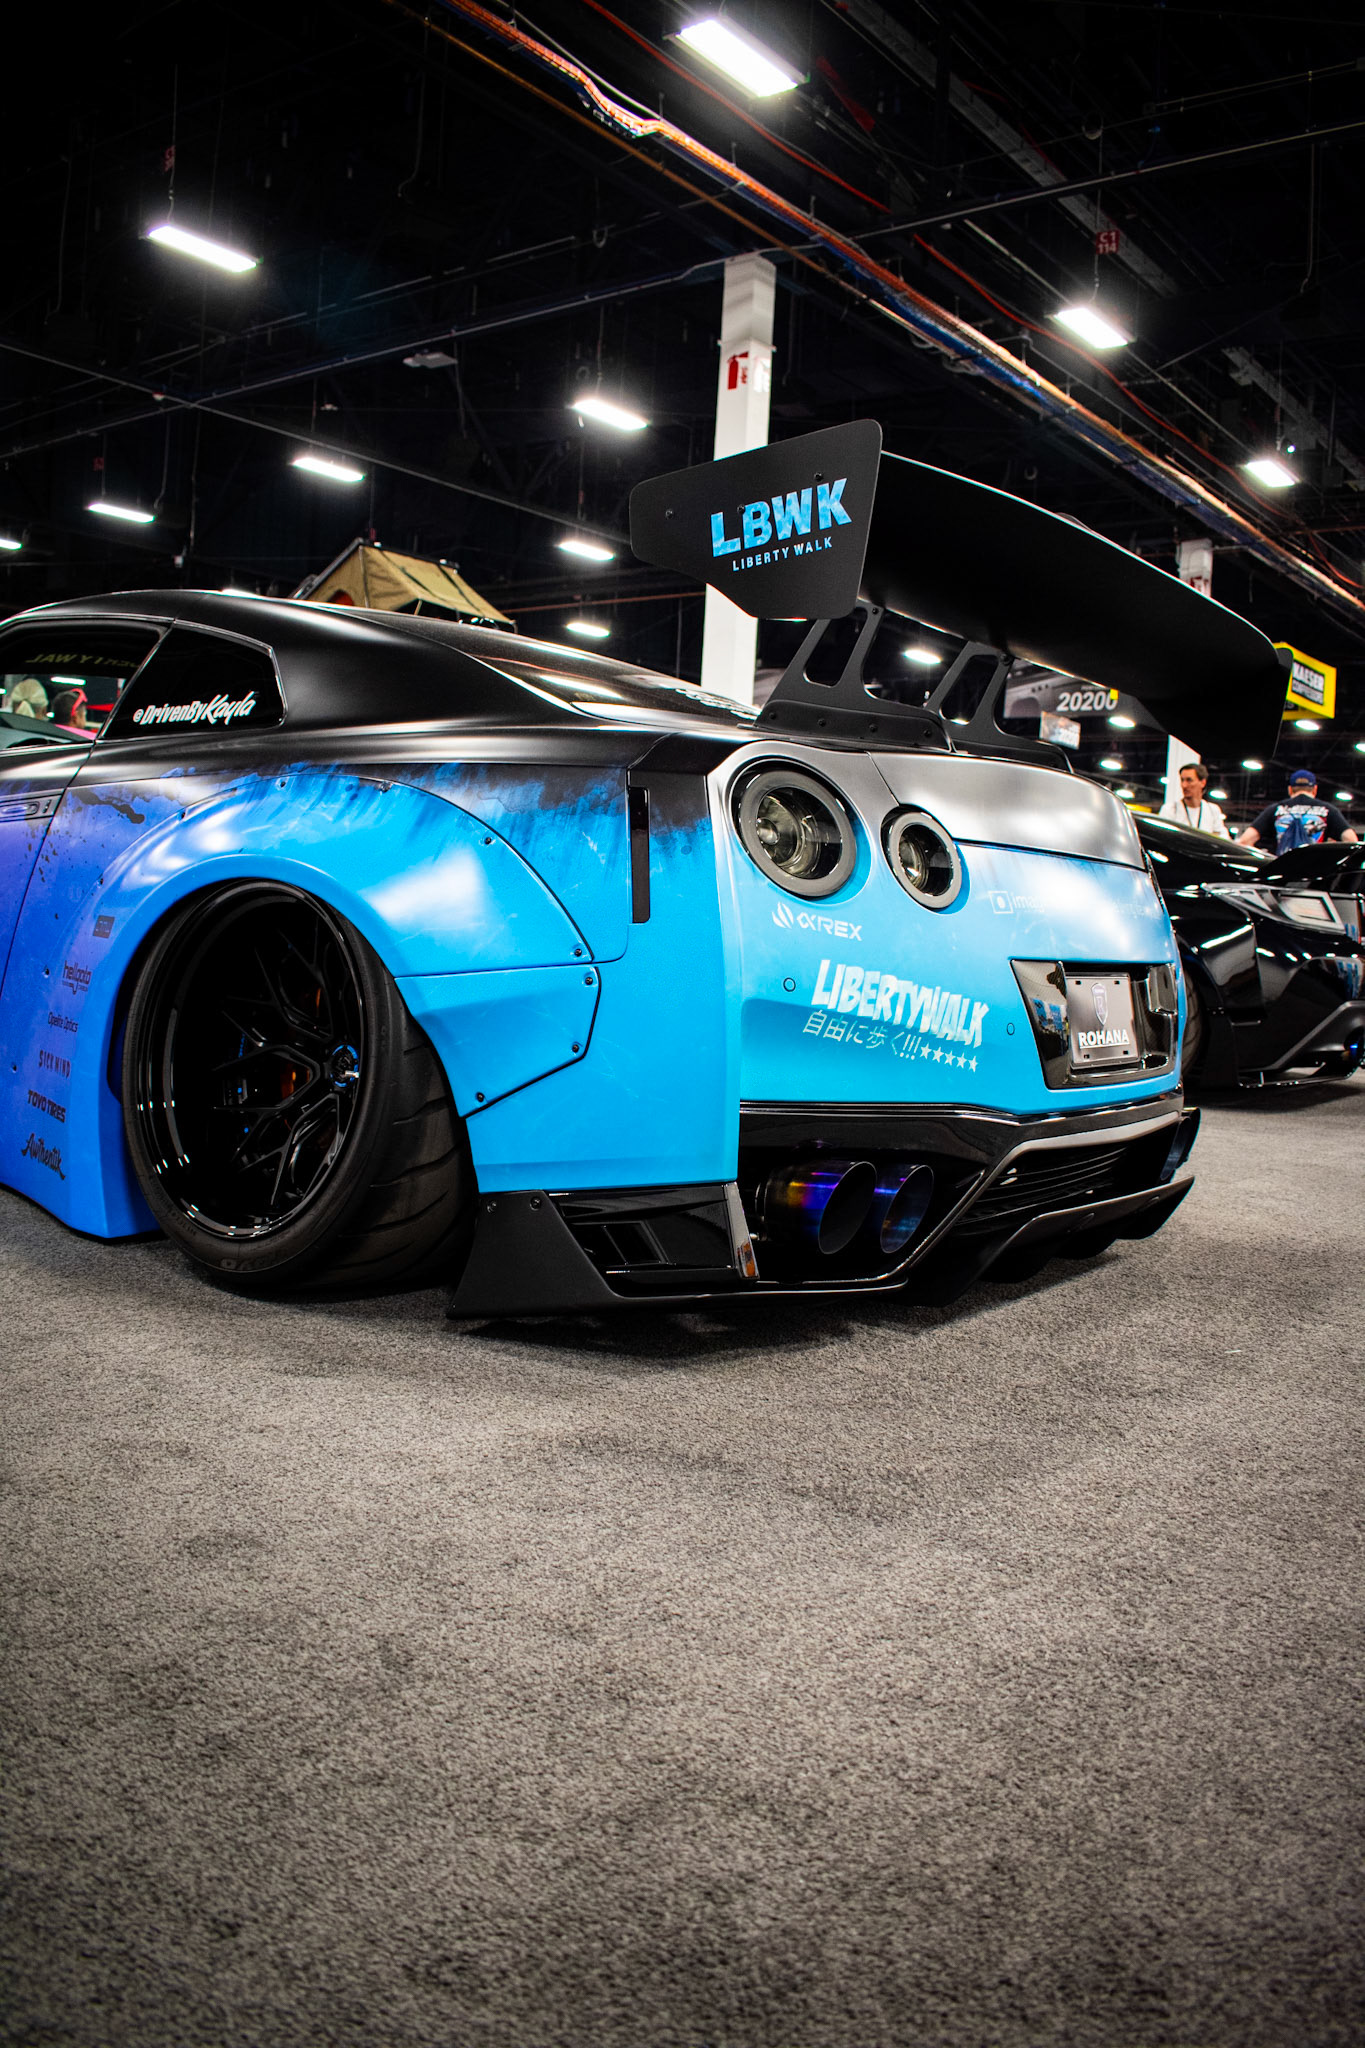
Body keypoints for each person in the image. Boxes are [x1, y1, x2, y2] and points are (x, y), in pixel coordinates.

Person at [1238, 768, 1359, 852]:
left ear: (1290, 789)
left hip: (1282, 871)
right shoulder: (1328, 810)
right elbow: (1351, 840)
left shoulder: (1276, 809)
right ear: (1315, 789)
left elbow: (1245, 841)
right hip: (1315, 873)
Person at [1159, 760, 1228, 836]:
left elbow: (1222, 837)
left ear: (1202, 783)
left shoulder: (1213, 810)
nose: (1184, 785)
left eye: (1189, 780)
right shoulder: (1170, 809)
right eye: (1182, 780)